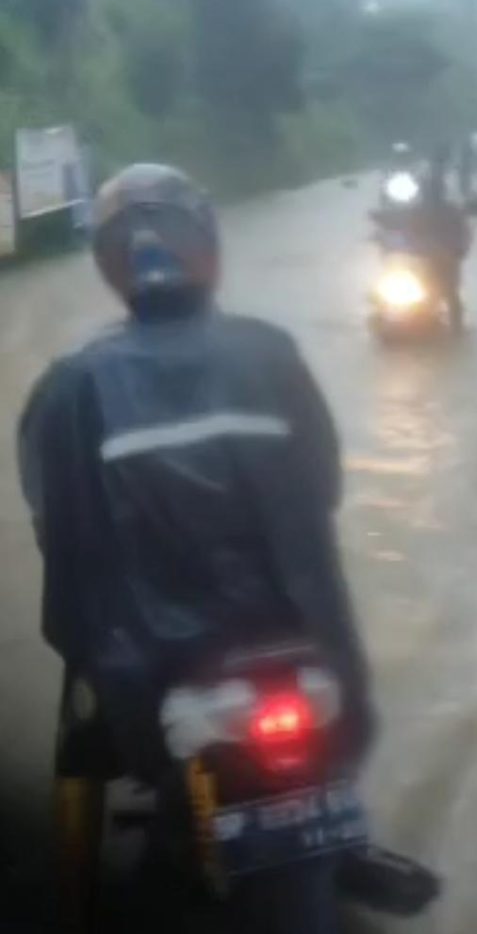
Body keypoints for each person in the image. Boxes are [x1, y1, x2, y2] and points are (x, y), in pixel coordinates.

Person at [17, 164, 374, 928]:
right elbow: (323, 489)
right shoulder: (272, 354)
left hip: (153, 668)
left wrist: (100, 650)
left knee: (81, 743)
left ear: (109, 268)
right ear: (209, 247)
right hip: (299, 644)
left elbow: (65, 547)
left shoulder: (73, 385)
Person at [373, 166, 471, 330]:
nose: (430, 195)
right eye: (427, 191)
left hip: (444, 260)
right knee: (383, 288)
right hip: (416, 261)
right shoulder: (416, 211)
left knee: (450, 292)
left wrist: (456, 251)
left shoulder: (451, 212)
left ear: (439, 191)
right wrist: (380, 229)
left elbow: (463, 235)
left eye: (433, 191)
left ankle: (456, 325)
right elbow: (396, 224)